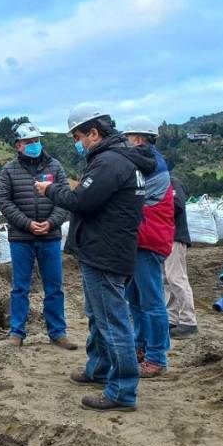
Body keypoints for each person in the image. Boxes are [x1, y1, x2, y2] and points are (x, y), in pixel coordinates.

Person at [34, 103, 156, 412]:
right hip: (105, 248)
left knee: (113, 321)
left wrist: (50, 191)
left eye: (78, 136)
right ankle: (99, 368)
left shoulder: (109, 163)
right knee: (98, 316)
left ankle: (122, 390)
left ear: (93, 132)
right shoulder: (118, 160)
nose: (77, 142)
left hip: (105, 252)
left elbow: (81, 201)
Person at [0, 122, 75, 350]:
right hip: (21, 237)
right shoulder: (9, 170)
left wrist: (50, 222)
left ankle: (58, 333)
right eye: (29, 142)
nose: (34, 145)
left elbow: (64, 198)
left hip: (50, 237)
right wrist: (28, 224)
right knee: (20, 287)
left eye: (37, 140)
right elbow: (4, 201)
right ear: (18, 146)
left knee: (54, 286)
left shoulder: (55, 167)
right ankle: (16, 333)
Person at [123, 117, 176, 378]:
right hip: (138, 240)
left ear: (140, 139)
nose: (126, 143)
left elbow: (130, 198)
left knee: (153, 302)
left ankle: (156, 357)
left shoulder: (153, 166)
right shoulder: (147, 163)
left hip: (148, 240)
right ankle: (140, 347)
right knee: (134, 299)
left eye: (128, 138)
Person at [164, 162, 198, 337]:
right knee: (166, 280)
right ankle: (172, 319)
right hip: (163, 238)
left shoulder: (171, 182)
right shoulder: (160, 183)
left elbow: (176, 205)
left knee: (176, 278)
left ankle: (188, 321)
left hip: (175, 237)